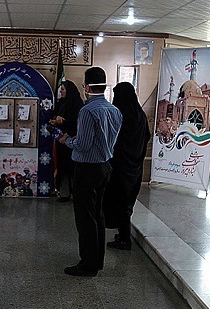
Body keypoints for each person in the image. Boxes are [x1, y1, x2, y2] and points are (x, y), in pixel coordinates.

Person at [58, 67, 122, 277]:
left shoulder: (87, 111)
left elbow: (83, 145)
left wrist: (68, 141)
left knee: (85, 218)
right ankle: (97, 260)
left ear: (86, 86)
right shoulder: (114, 110)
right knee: (98, 215)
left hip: (87, 169)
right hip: (105, 167)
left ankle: (87, 265)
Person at [103, 82, 151, 250]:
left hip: (120, 167)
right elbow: (147, 137)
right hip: (135, 166)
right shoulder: (140, 115)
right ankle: (123, 234)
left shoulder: (120, 116)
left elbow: (112, 140)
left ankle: (124, 239)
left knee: (119, 201)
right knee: (127, 201)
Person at [49, 80, 83, 202]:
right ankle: (64, 193)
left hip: (73, 141)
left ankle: (76, 193)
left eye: (63, 89)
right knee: (63, 168)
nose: (61, 92)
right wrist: (55, 120)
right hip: (61, 141)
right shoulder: (61, 103)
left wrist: (65, 122)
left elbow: (78, 123)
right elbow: (55, 115)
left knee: (73, 168)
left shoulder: (78, 105)